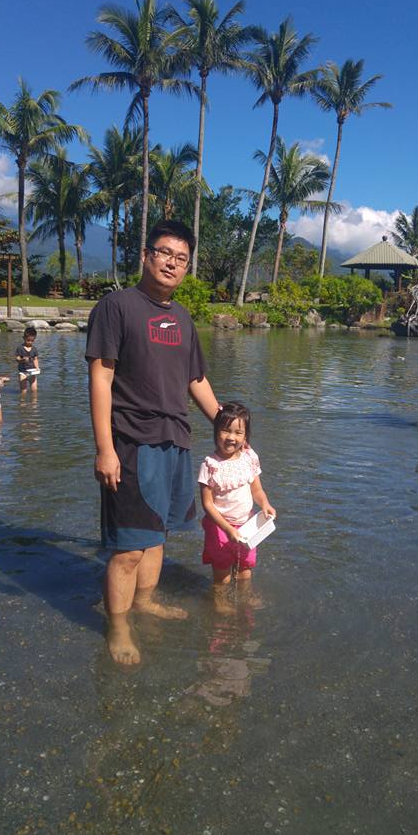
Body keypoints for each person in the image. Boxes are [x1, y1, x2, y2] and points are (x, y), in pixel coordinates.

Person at [85, 220, 220, 666]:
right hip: (131, 441)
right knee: (129, 547)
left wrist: (226, 425)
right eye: (164, 253)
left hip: (174, 439)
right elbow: (101, 378)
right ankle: (118, 627)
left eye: (181, 258)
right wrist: (105, 448)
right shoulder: (116, 306)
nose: (172, 264)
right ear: (146, 255)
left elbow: (195, 379)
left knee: (158, 535)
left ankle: (144, 603)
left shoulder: (182, 317)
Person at [199, 402, 276, 605]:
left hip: (246, 526)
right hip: (220, 528)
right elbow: (207, 504)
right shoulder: (210, 465)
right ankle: (220, 603)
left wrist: (265, 504)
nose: (231, 437)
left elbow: (256, 490)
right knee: (222, 575)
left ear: (245, 436)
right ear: (216, 431)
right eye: (225, 430)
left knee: (245, 571)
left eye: (238, 432)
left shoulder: (249, 458)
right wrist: (227, 528)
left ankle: (245, 597)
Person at [15, 327, 40, 392]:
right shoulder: (20, 348)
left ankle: (34, 399)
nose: (30, 342)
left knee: (34, 390)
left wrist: (37, 367)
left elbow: (35, 359)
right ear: (24, 338)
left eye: (32, 340)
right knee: (23, 390)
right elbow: (17, 358)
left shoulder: (34, 349)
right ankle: (23, 398)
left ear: (34, 339)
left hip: (32, 372)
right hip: (23, 372)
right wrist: (22, 359)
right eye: (28, 340)